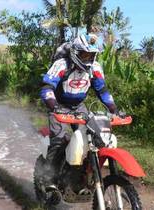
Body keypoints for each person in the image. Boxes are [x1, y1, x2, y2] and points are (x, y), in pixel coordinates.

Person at [39, 33, 118, 190]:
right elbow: (47, 87)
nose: (88, 58)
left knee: (91, 138)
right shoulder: (62, 65)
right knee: (59, 139)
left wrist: (114, 109)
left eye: (91, 55)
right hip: (60, 105)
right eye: (84, 54)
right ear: (75, 52)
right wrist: (54, 106)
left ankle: (81, 173)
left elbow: (102, 90)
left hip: (79, 106)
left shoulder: (94, 68)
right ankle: (48, 178)